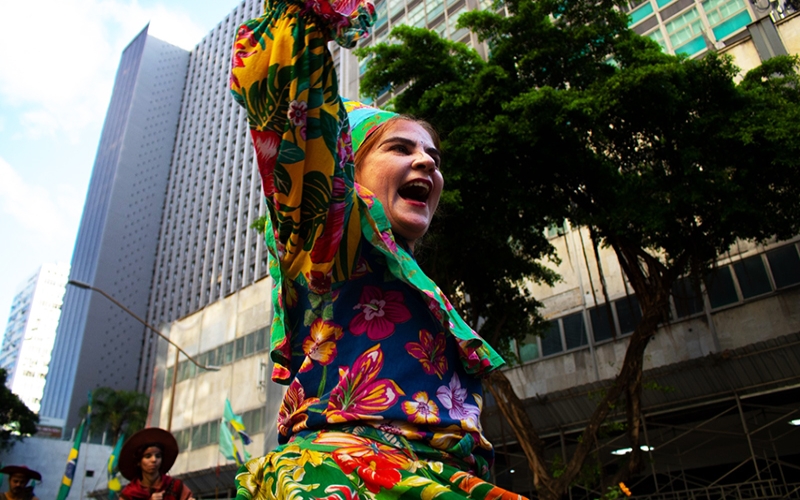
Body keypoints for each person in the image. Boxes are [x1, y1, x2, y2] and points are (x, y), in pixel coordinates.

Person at [229, 0, 525, 498]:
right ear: (349, 168)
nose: (426, 162)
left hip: (439, 477)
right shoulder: (330, 235)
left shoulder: (409, 281)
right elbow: (297, 114)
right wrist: (313, 18)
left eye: (432, 154)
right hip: (350, 475)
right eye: (401, 149)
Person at [118, 428, 194, 500]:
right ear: (138, 462)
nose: (154, 460)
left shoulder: (175, 486)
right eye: (148, 456)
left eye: (158, 456)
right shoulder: (129, 493)